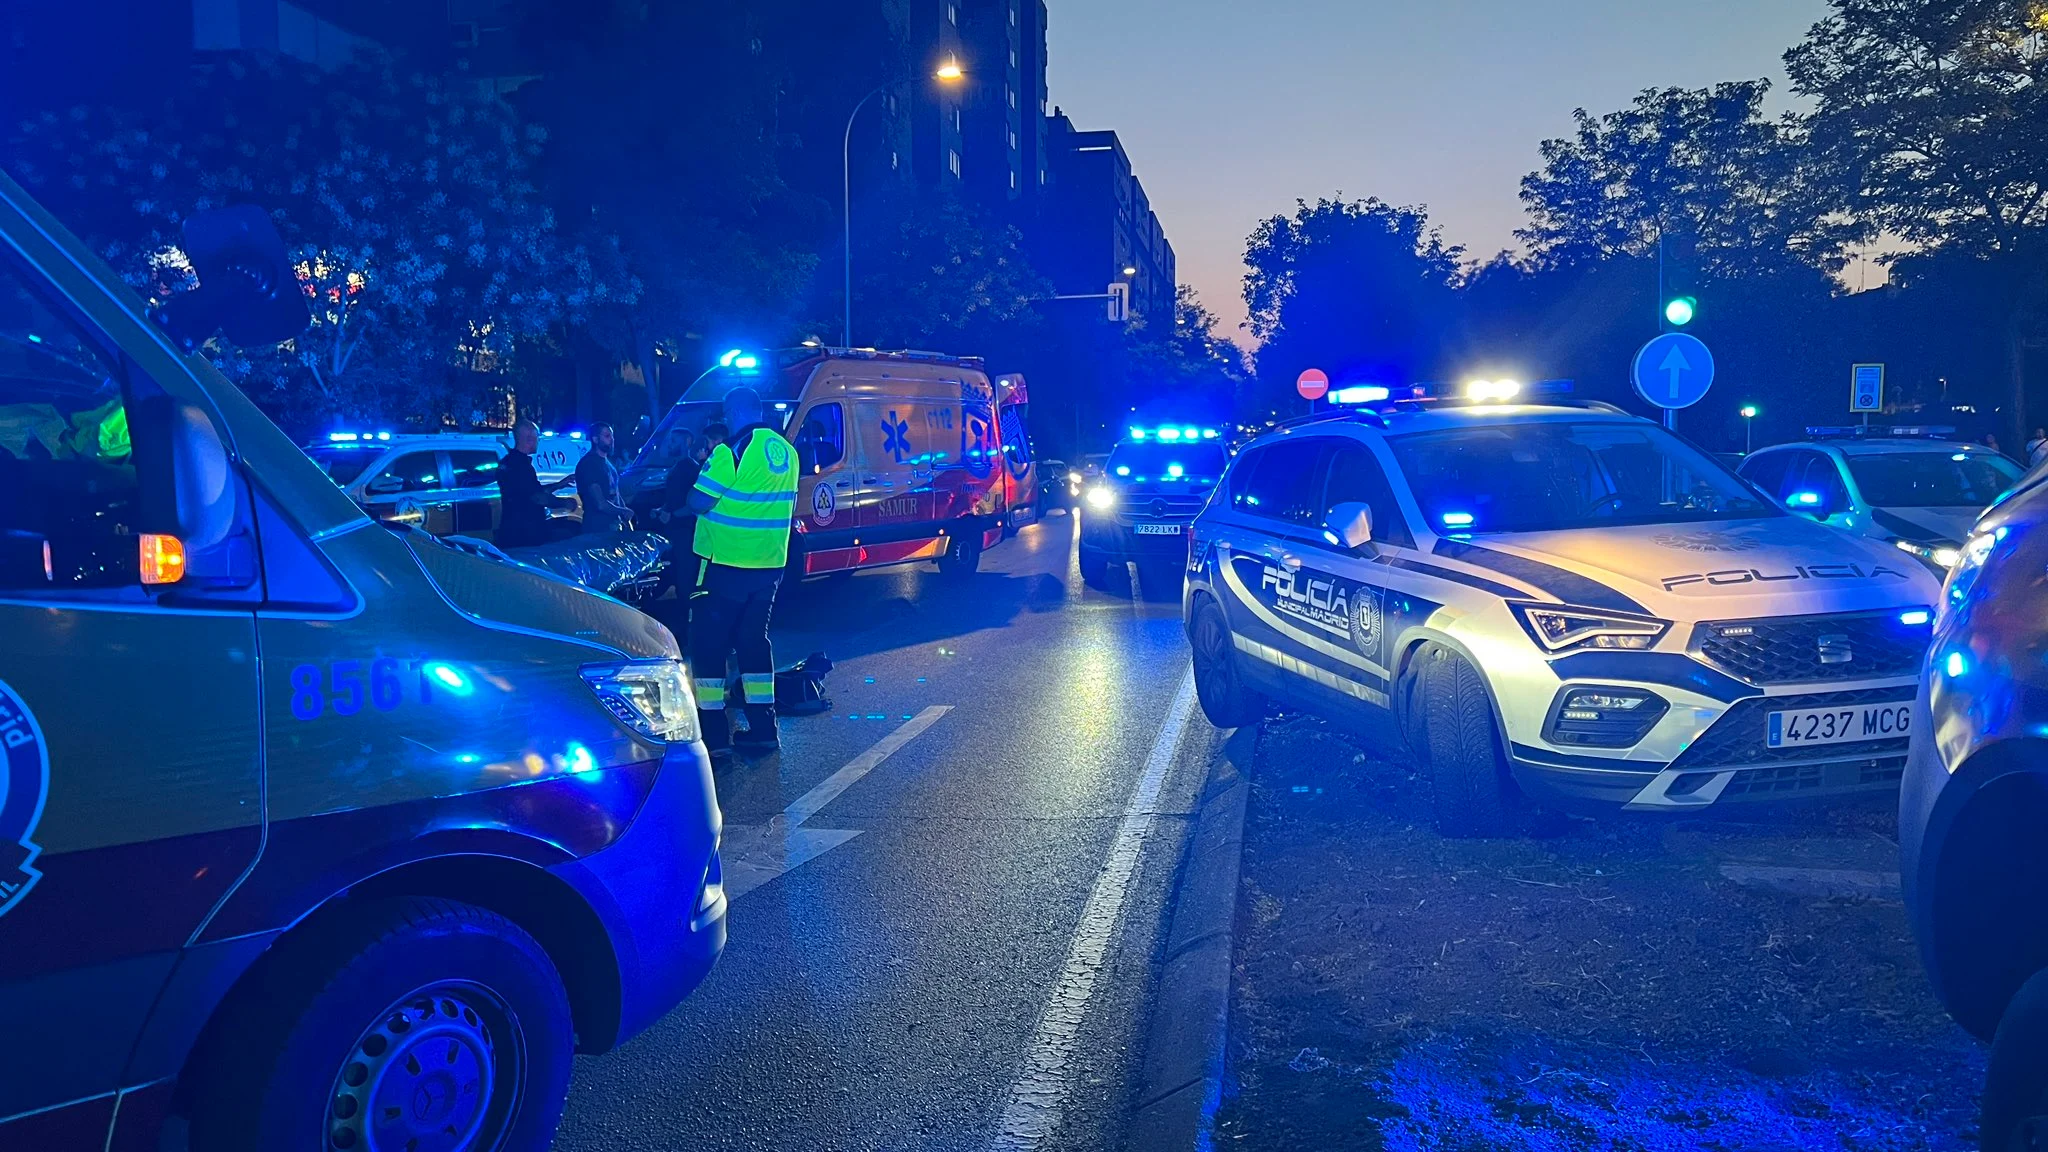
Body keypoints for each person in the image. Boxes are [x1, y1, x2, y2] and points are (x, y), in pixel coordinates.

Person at [688, 392, 797, 756]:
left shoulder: (730, 451)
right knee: (753, 642)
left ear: (734, 412)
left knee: (708, 646)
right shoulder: (786, 451)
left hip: (726, 566)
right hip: (769, 565)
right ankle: (764, 728)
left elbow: (697, 501)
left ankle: (714, 737)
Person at [495, 420, 566, 548]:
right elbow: (538, 497)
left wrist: (560, 484)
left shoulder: (507, 462)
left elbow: (531, 490)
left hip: (511, 530)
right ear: (529, 439)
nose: (538, 441)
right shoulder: (521, 466)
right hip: (525, 534)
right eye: (537, 438)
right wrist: (565, 503)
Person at [574, 421, 633, 535]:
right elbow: (600, 503)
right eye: (607, 436)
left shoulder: (608, 464)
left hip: (613, 527)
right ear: (595, 439)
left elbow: (616, 494)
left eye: (612, 436)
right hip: (597, 529)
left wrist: (625, 516)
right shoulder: (589, 464)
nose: (612, 439)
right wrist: (623, 511)